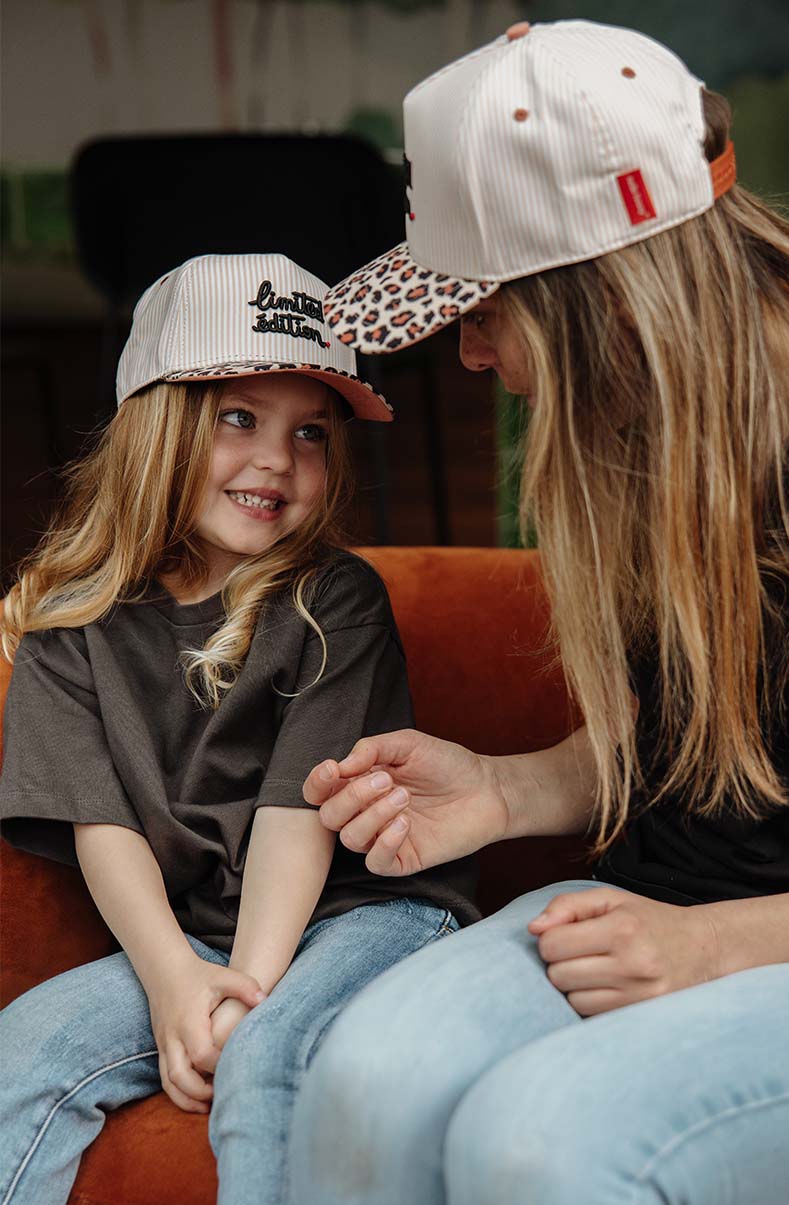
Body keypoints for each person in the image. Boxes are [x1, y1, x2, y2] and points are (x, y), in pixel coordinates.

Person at [290, 20, 789, 1205]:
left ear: (611, 296)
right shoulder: (637, 427)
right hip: (656, 910)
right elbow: (707, 746)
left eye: (485, 310)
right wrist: (511, 788)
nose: (471, 355)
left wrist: (718, 944)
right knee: (362, 1083)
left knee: (544, 1139)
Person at [0, 252, 477, 1205]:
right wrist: (178, 980)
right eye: (238, 418)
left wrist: (243, 996)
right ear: (156, 424)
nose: (278, 460)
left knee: (265, 1066)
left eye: (311, 432)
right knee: (22, 1054)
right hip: (202, 936)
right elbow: (105, 828)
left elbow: (295, 814)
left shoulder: (333, 598)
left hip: (365, 915)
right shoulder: (67, 623)